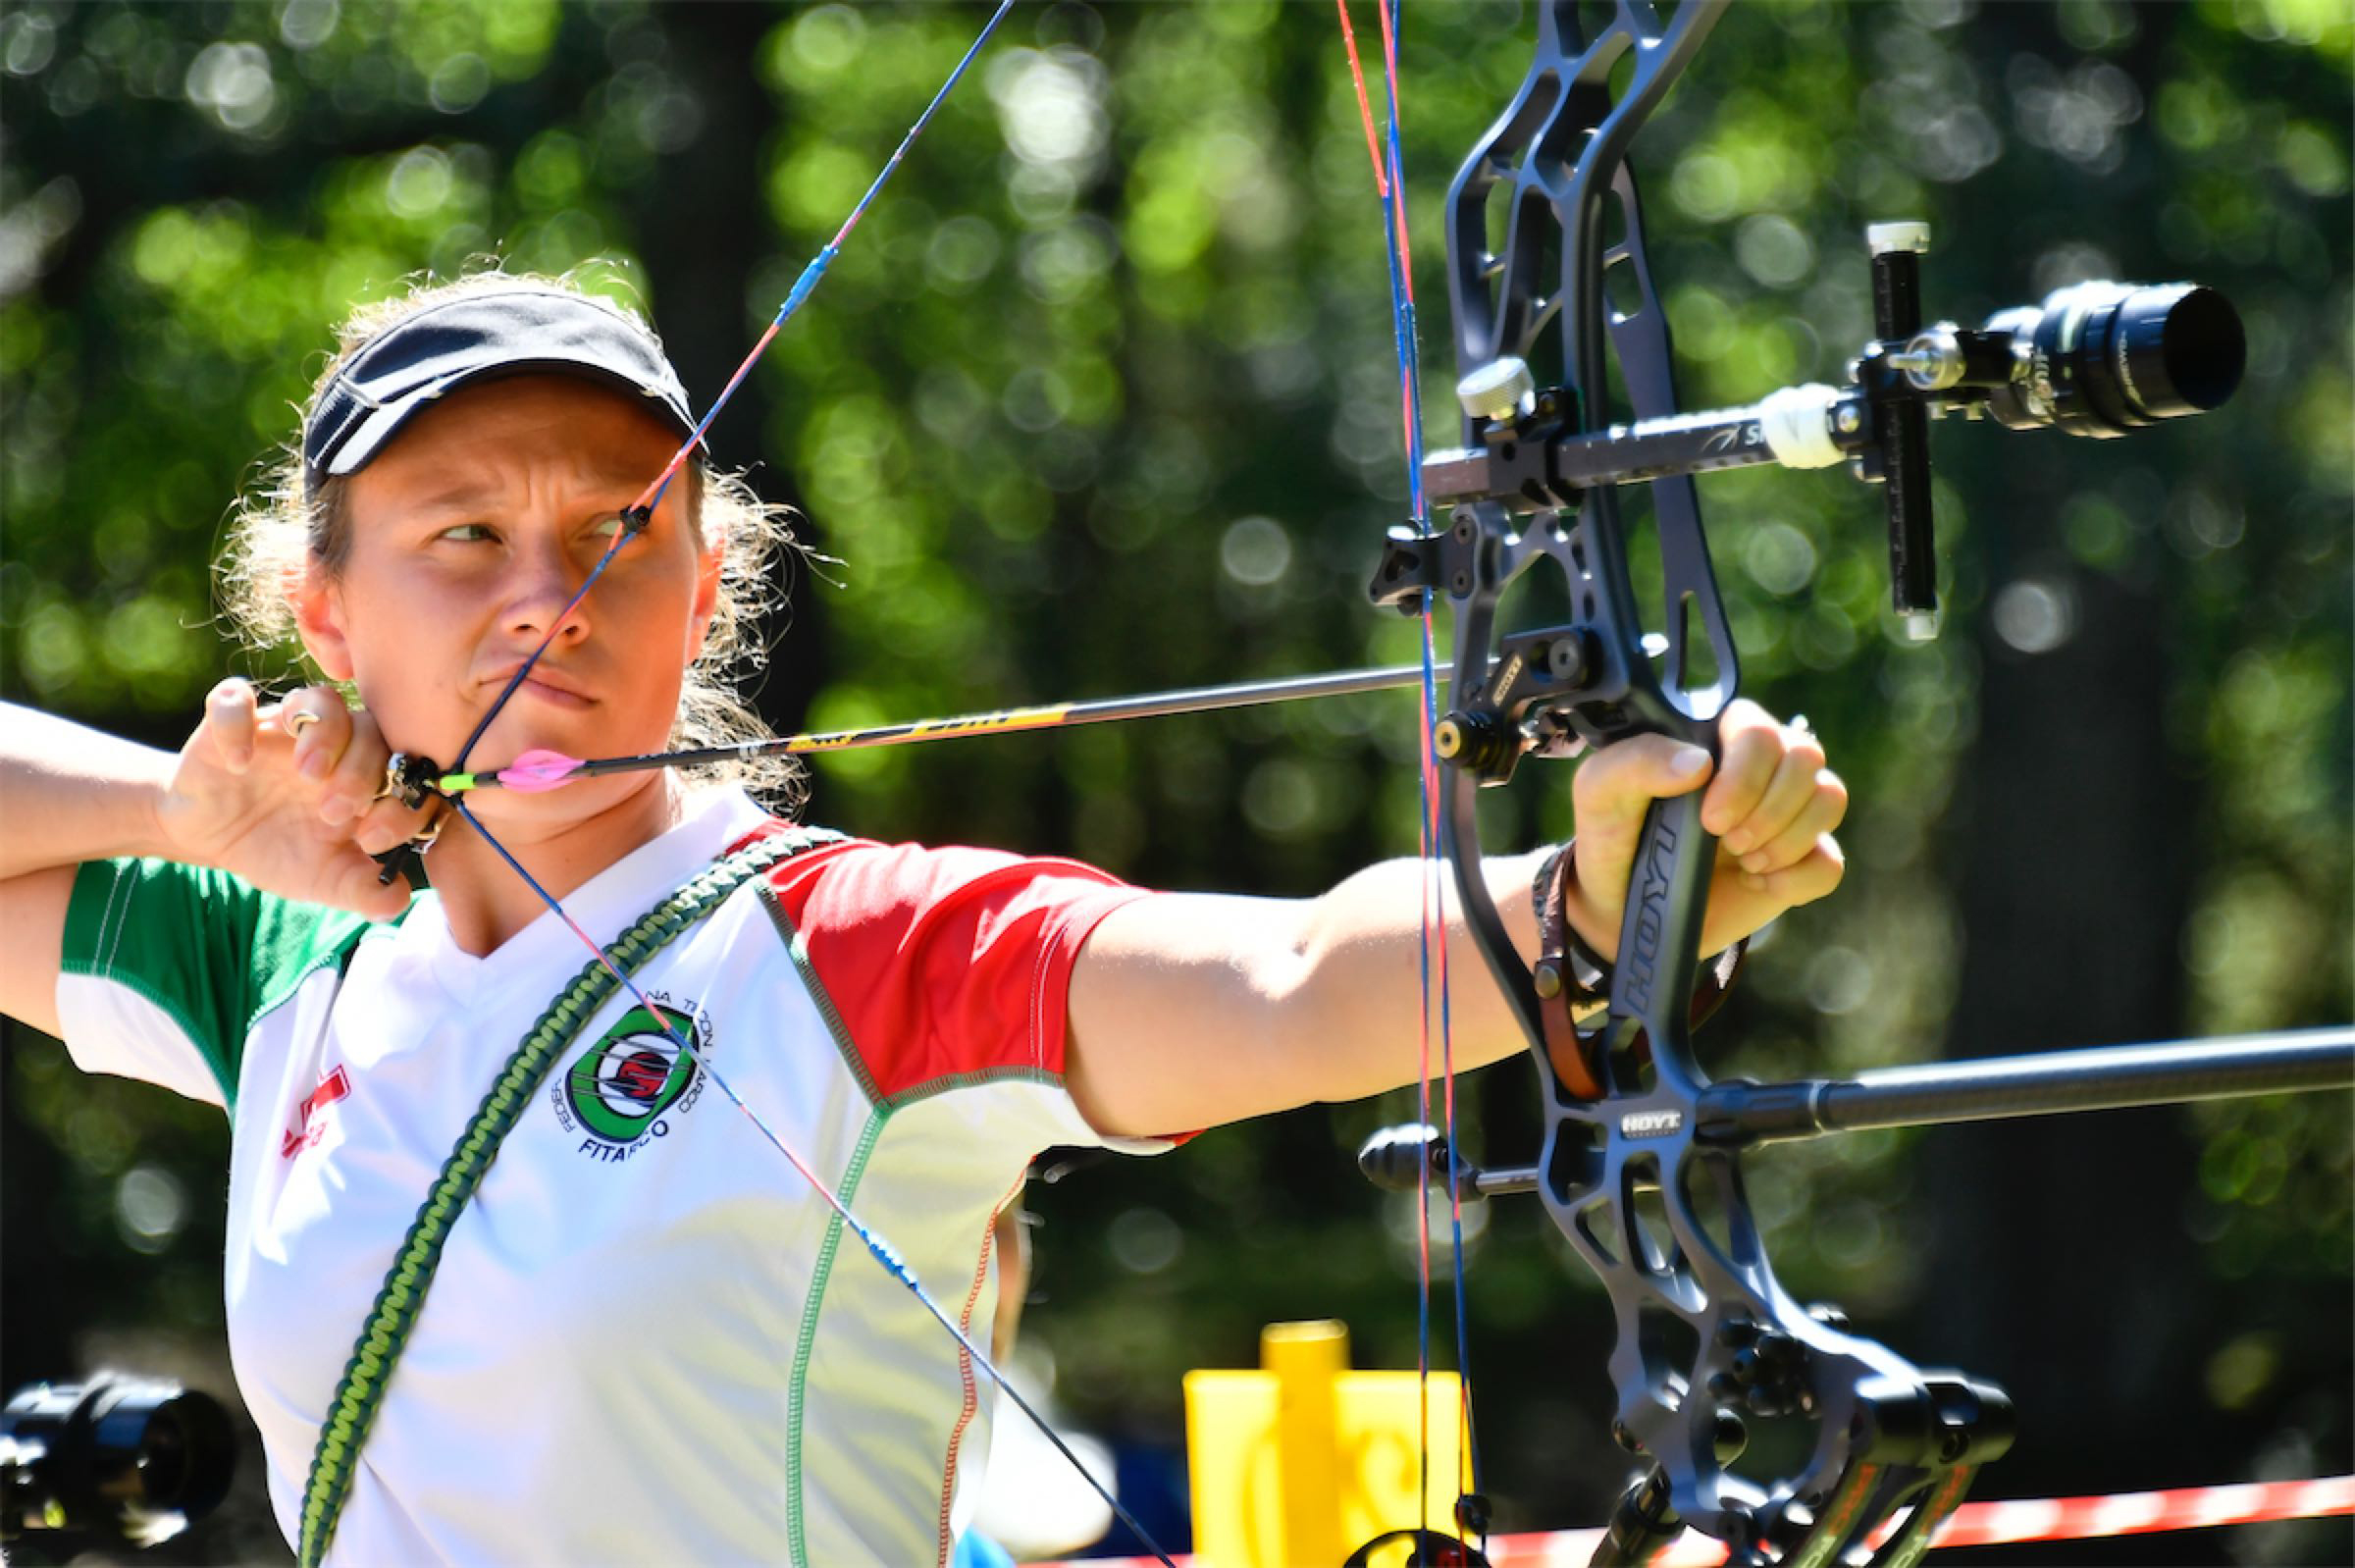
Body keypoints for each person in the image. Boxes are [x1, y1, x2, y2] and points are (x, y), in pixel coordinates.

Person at [0, 273, 1848, 1566]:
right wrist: (176, 810)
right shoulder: (288, 955)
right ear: (328, 613)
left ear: (702, 588)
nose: (547, 598)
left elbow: (1290, 979)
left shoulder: (848, 952)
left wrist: (1589, 901)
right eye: (463, 533)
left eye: (618, 532)